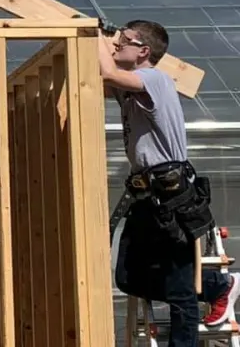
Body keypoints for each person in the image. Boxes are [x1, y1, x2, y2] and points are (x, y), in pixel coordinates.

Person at [101, 19, 239, 346]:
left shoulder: (155, 79)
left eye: (126, 40)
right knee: (127, 277)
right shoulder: (132, 84)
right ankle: (218, 285)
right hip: (147, 196)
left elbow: (107, 73)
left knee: (180, 293)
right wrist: (104, 39)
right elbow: (100, 75)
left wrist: (92, 33)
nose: (118, 44)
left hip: (171, 197)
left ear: (144, 51)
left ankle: (211, 292)